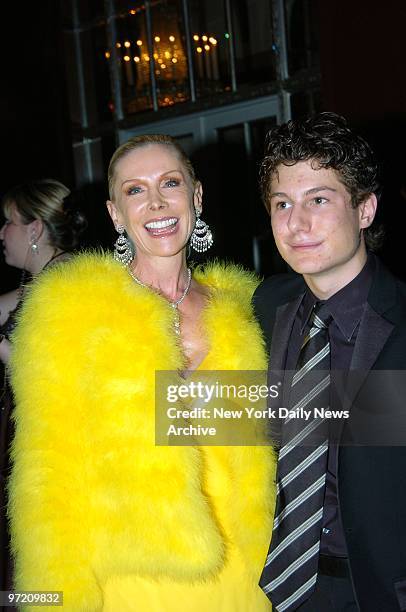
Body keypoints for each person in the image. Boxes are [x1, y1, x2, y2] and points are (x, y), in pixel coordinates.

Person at [8, 134, 276, 611]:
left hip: (241, 572)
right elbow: (46, 472)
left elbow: (281, 433)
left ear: (195, 197)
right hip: (128, 577)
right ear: (115, 214)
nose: (155, 203)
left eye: (169, 183)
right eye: (135, 190)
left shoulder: (244, 310)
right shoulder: (70, 308)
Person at [254, 112, 406, 611]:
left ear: (365, 209)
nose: (297, 224)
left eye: (318, 199)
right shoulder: (257, 309)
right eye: (282, 203)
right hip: (269, 588)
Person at [0, 178, 86, 599]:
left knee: (44, 587)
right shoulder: (47, 277)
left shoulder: (65, 279)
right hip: (43, 453)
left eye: (8, 222)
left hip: (62, 462)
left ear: (35, 230)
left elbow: (59, 379)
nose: (1, 233)